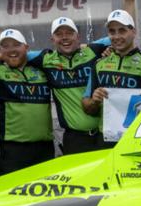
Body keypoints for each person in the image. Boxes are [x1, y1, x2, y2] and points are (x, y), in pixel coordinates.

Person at [0, 29, 55, 173]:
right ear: (0, 51)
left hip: (45, 147)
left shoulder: (41, 68)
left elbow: (60, 52)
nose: (11, 49)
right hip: (13, 150)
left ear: (26, 47)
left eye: (16, 45)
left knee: (49, 195)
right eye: (5, 46)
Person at [24, 15, 109, 155]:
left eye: (69, 33)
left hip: (104, 134)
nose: (64, 37)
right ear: (52, 40)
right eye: (59, 34)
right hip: (75, 139)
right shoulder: (46, 58)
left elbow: (122, 35)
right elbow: (14, 53)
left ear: (78, 36)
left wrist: (129, 1)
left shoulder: (93, 51)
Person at [82, 9, 141, 139]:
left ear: (133, 32)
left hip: (137, 138)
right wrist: (94, 101)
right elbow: (88, 108)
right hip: (105, 139)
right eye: (112, 31)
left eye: (122, 31)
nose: (116, 36)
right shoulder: (99, 64)